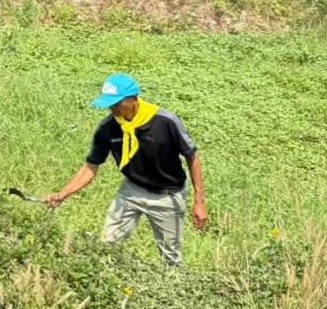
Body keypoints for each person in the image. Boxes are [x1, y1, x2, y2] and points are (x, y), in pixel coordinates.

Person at [45, 74, 208, 268]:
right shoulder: (108, 129)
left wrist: (199, 201)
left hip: (167, 196)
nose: (112, 109)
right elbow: (91, 166)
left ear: (133, 100)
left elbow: (192, 157)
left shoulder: (165, 121)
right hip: (131, 191)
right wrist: (63, 194)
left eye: (116, 103)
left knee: (170, 260)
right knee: (106, 247)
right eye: (109, 104)